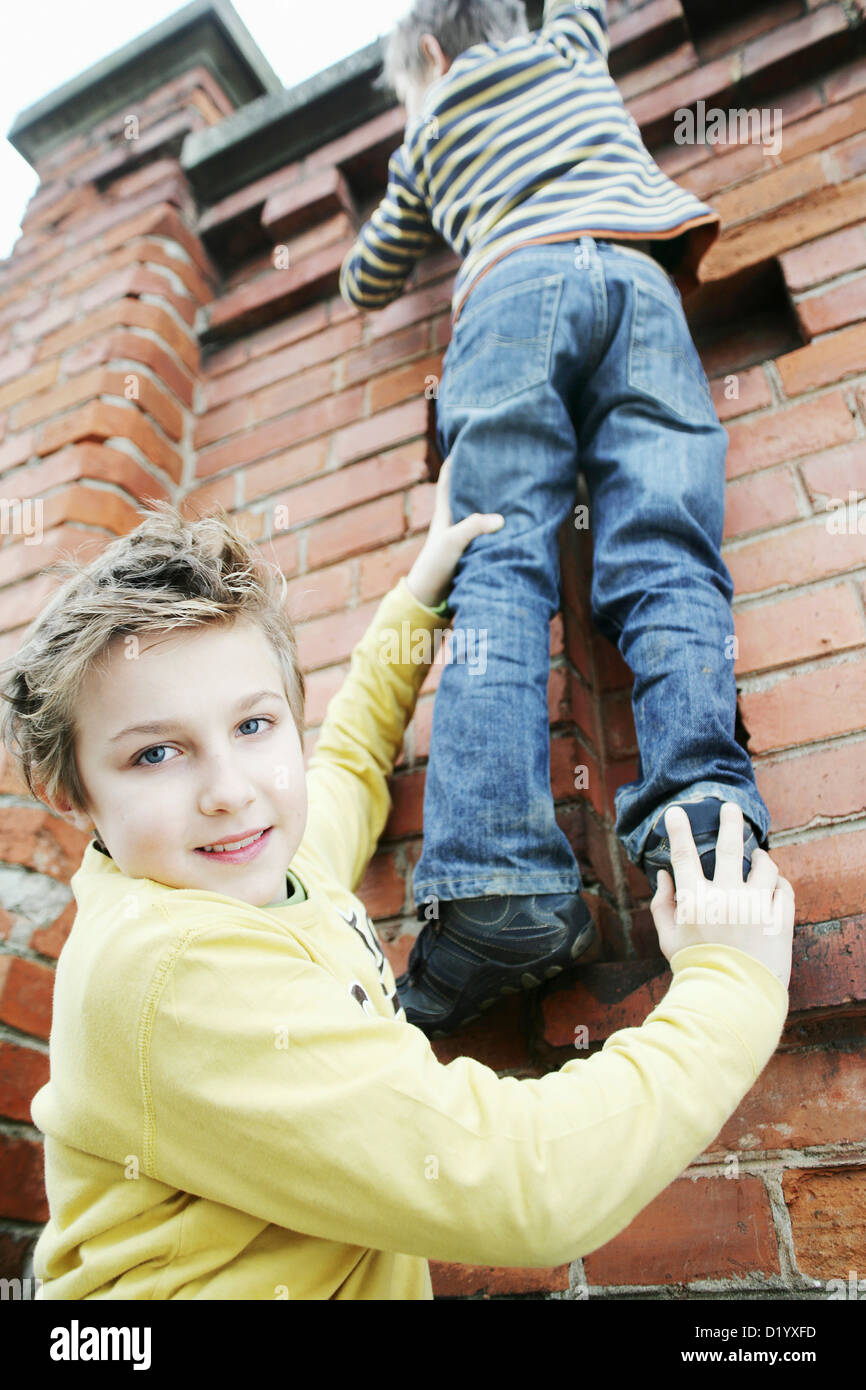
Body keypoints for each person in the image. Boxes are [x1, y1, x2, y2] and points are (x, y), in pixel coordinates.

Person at [0, 474, 792, 1300]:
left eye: (253, 724)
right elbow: (526, 1185)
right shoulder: (166, 967)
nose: (229, 789)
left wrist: (420, 594)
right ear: (73, 794)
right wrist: (730, 986)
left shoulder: (261, 867)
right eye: (155, 754)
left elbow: (342, 764)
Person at [339, 0, 774, 1037]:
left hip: (507, 291)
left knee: (497, 565)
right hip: (633, 277)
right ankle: (702, 818)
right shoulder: (568, 43)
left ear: (430, 58)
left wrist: (420, 147)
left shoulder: (428, 133)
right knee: (668, 552)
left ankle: (495, 884)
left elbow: (366, 277)